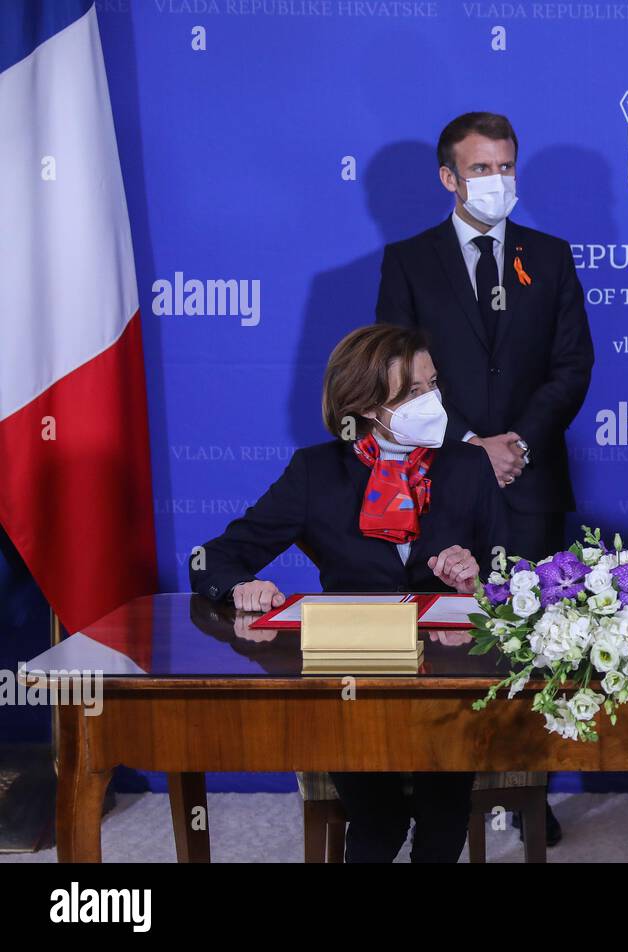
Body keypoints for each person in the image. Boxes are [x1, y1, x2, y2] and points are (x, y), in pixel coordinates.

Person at [191, 324, 505, 862]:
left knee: (443, 814)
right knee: (378, 821)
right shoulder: (316, 472)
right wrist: (244, 584)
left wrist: (478, 582)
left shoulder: (469, 465)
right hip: (351, 679)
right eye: (411, 393)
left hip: (448, 678)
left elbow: (514, 575)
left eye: (432, 385)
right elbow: (210, 559)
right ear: (363, 405)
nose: (430, 401)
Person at [376, 111, 593, 845]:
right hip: (440, 475)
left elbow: (572, 366)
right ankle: (443, 787)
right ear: (449, 177)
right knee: (449, 640)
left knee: (531, 638)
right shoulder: (409, 260)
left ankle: (526, 787)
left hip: (530, 476)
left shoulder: (552, 256)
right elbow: (393, 375)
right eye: (481, 169)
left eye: (506, 167)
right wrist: (470, 442)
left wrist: (519, 442)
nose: (498, 182)